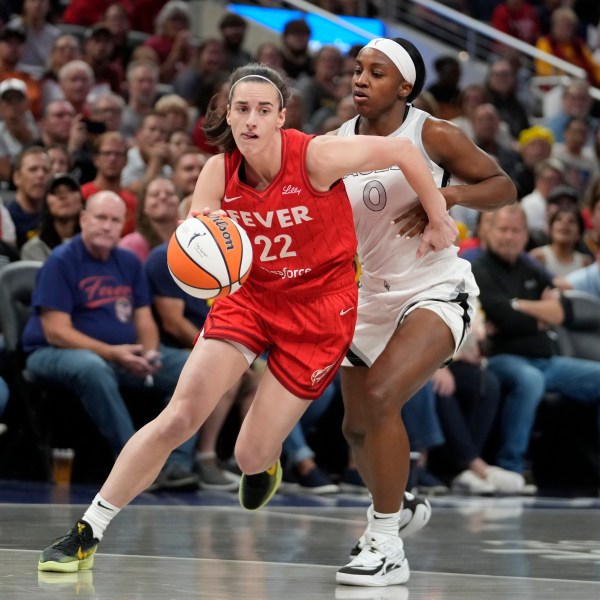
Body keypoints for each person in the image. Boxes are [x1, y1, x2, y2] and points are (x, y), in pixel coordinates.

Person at [37, 62, 458, 575]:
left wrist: (437, 214)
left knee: (249, 455)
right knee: (180, 415)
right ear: (229, 115)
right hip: (251, 299)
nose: (252, 120)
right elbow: (200, 243)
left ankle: (265, 463)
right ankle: (88, 530)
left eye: (263, 110)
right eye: (242, 109)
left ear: (281, 116)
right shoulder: (218, 171)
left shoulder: (317, 157)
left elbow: (400, 150)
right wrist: (201, 232)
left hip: (320, 311)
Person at [330, 37, 516, 587]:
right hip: (368, 299)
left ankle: (385, 541)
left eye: (377, 73)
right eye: (358, 70)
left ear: (404, 86)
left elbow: (503, 185)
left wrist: (450, 197)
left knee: (384, 396)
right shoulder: (334, 142)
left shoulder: (432, 133)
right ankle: (399, 502)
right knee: (355, 427)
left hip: (433, 287)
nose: (360, 80)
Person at [23, 191, 198, 491]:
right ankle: (134, 465)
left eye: (114, 220)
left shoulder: (128, 263)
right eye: (100, 218)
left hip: (120, 355)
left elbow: (144, 319)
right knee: (92, 366)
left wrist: (151, 353)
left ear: (123, 226)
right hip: (51, 352)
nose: (107, 226)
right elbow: (56, 331)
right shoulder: (62, 260)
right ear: (83, 219)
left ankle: (176, 462)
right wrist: (112, 352)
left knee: (192, 368)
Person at [472, 204, 600, 478]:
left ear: (525, 235)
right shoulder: (479, 268)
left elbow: (563, 310)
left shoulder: (530, 268)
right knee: (530, 380)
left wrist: (517, 305)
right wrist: (538, 312)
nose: (509, 236)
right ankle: (512, 467)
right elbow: (503, 317)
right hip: (500, 358)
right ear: (489, 230)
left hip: (546, 360)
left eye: (516, 230)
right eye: (503, 229)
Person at [20, 172, 83, 261]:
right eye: (55, 192)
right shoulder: (33, 250)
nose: (63, 196)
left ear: (81, 200)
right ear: (46, 203)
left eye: (70, 190)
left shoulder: (95, 246)